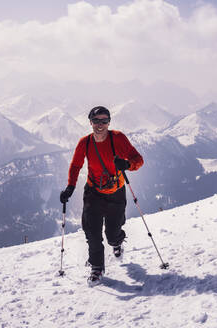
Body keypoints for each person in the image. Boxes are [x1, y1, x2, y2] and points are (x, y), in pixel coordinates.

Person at [60, 106, 144, 285]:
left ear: (109, 122)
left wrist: (127, 165)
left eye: (104, 121)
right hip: (93, 192)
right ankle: (97, 267)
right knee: (92, 232)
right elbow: (76, 165)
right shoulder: (85, 142)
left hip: (116, 192)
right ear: (90, 122)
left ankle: (117, 242)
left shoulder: (119, 138)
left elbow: (138, 160)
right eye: (96, 121)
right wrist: (70, 187)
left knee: (112, 234)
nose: (100, 124)